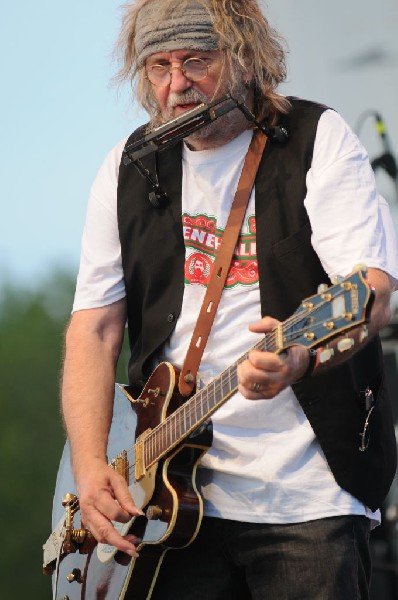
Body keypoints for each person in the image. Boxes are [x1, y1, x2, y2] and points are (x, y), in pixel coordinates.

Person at [61, 0, 398, 598]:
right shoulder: (127, 166)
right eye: (159, 65)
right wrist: (90, 467)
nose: (177, 84)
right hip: (162, 507)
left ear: (245, 57)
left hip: (307, 497)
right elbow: (95, 329)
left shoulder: (318, 139)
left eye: (196, 61)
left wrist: (302, 359)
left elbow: (370, 294)